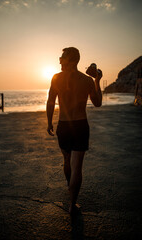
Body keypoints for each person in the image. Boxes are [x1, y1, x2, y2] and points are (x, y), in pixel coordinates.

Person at [46, 47, 102, 214]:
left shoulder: (56, 78)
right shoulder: (86, 80)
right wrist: (97, 80)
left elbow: (50, 102)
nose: (59, 60)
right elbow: (98, 102)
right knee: (76, 166)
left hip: (64, 126)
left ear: (71, 60)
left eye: (62, 57)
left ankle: (70, 188)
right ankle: (72, 204)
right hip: (80, 126)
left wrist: (49, 122)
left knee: (67, 160)